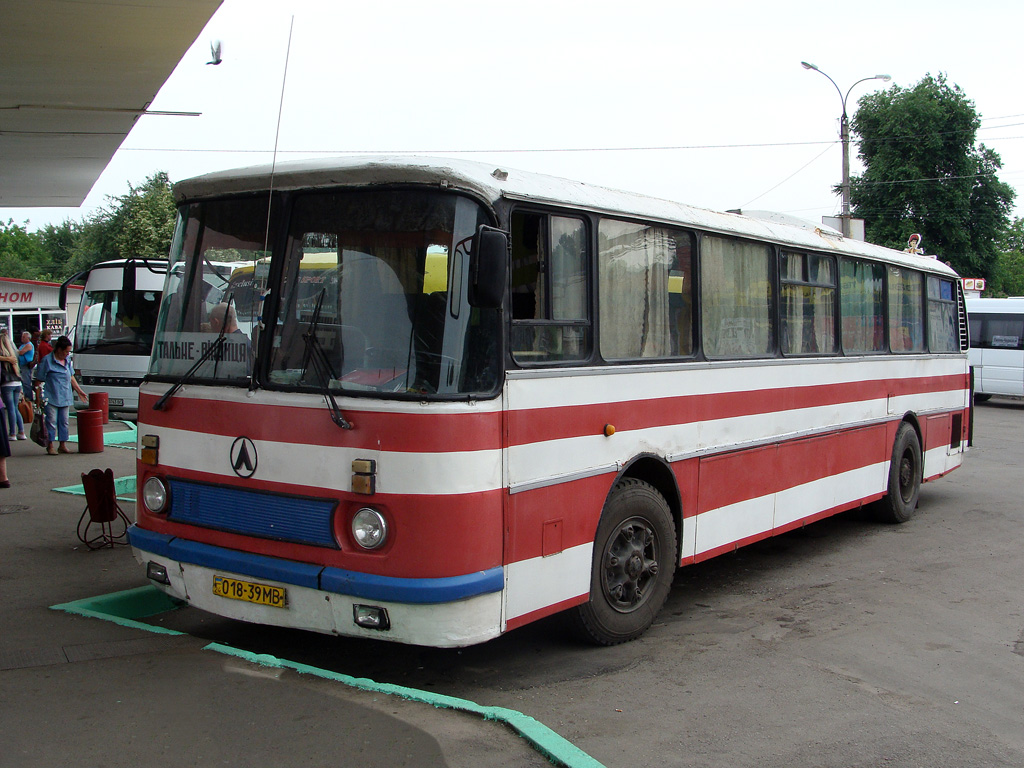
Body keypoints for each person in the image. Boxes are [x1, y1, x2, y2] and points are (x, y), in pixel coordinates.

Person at [32, 335, 88, 455]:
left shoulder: (67, 361)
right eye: (66, 351)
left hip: (65, 395)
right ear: (59, 349)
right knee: (51, 421)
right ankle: (50, 444)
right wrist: (37, 398)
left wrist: (79, 390)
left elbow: (71, 377)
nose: (68, 354)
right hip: (51, 396)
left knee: (64, 421)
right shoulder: (47, 361)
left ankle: (62, 444)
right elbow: (39, 380)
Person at [0, 328, 27, 441]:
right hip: (17, 382)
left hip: (7, 383)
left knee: (10, 408)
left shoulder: (3, 354)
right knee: (14, 408)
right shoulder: (13, 354)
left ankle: (12, 433)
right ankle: (21, 431)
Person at [17, 330, 35, 400]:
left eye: (23, 337)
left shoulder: (29, 345)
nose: (22, 338)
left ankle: (29, 398)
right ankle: (25, 396)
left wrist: (16, 351)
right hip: (21, 364)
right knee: (23, 382)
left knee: (26, 382)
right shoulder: (22, 345)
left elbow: (21, 352)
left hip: (26, 365)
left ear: (28, 338)